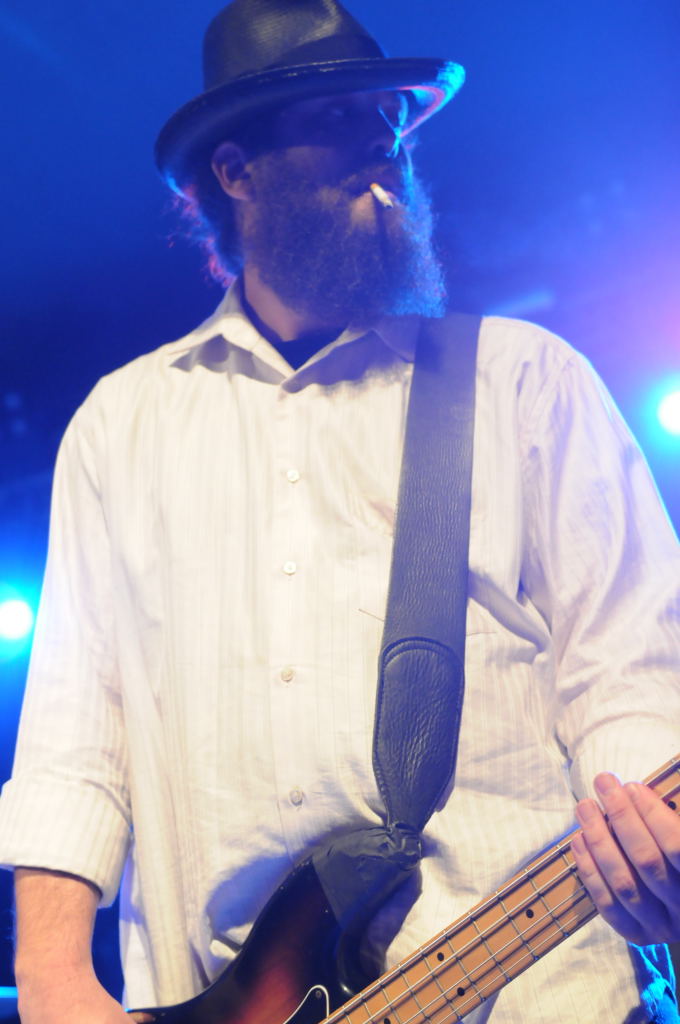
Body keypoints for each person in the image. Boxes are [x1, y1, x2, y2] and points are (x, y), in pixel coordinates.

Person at [1, 1, 679, 1022]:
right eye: (338, 115)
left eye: (390, 115)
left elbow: (628, 671)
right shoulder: (122, 424)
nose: (383, 140)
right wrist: (56, 982)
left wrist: (644, 845)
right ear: (236, 171)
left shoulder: (523, 379)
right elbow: (74, 742)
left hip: (538, 990)